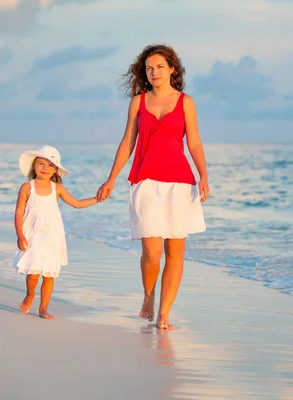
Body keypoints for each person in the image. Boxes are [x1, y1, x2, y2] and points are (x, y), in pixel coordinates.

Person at [96, 44, 210, 330]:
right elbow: (127, 143)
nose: (154, 72)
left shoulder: (186, 102)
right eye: (149, 67)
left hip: (180, 184)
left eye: (160, 66)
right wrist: (111, 178)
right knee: (151, 252)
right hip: (145, 181)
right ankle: (149, 295)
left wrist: (204, 176)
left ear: (172, 68)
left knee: (175, 252)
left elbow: (193, 142)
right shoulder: (138, 102)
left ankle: (164, 313)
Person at [13, 145, 98, 319]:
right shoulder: (27, 187)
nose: (45, 168)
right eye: (41, 164)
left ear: (56, 170)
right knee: (33, 273)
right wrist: (20, 235)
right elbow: (19, 212)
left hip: (52, 237)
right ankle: (30, 295)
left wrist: (97, 199)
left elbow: (77, 203)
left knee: (49, 275)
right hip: (33, 235)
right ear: (34, 166)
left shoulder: (56, 188)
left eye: (50, 165)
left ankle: (43, 308)